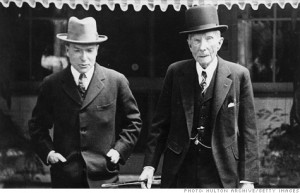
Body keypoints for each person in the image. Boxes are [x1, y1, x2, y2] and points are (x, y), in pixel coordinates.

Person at [139, 5, 259, 188]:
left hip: (221, 172)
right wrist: (149, 165)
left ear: (219, 43)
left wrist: (248, 179)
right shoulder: (176, 72)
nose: (203, 47)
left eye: (209, 39)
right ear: (189, 44)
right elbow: (159, 125)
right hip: (180, 170)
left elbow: (248, 132)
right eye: (196, 40)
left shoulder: (239, 75)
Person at [29, 16, 142, 188]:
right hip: (65, 178)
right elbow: (37, 127)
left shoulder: (116, 81)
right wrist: (49, 153)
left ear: (97, 49)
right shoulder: (51, 84)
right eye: (77, 50)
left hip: (105, 177)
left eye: (89, 50)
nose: (83, 57)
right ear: (67, 50)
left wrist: (119, 150)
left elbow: (133, 122)